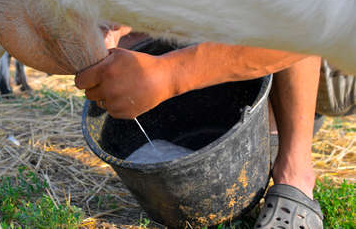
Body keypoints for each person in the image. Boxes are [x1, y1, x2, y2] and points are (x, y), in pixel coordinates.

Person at [75, 26, 324, 228]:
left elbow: (304, 29)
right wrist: (123, 26)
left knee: (283, 11)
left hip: (335, 45)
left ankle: (296, 172)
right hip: (238, 19)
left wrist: (168, 75)